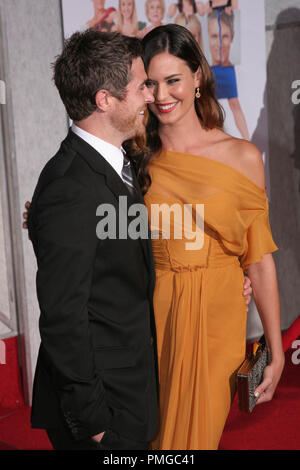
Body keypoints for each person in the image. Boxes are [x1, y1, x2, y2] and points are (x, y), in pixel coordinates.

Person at [139, 24, 284, 450]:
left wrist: (275, 352)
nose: (163, 95)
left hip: (219, 315)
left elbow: (258, 257)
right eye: (151, 83)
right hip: (150, 317)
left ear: (198, 77)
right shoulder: (134, 157)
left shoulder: (242, 156)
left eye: (173, 80)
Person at [26, 29, 158, 451]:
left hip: (130, 387)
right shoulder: (69, 188)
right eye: (140, 87)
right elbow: (64, 318)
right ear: (105, 100)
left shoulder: (118, 162)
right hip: (102, 410)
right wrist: (96, 425)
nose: (149, 98)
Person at [207, 9, 250, 140]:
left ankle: (247, 140)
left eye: (224, 36)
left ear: (232, 37)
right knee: (208, 104)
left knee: (234, 103)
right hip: (210, 68)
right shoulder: (203, 71)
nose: (219, 44)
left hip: (226, 68)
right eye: (214, 36)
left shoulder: (230, 69)